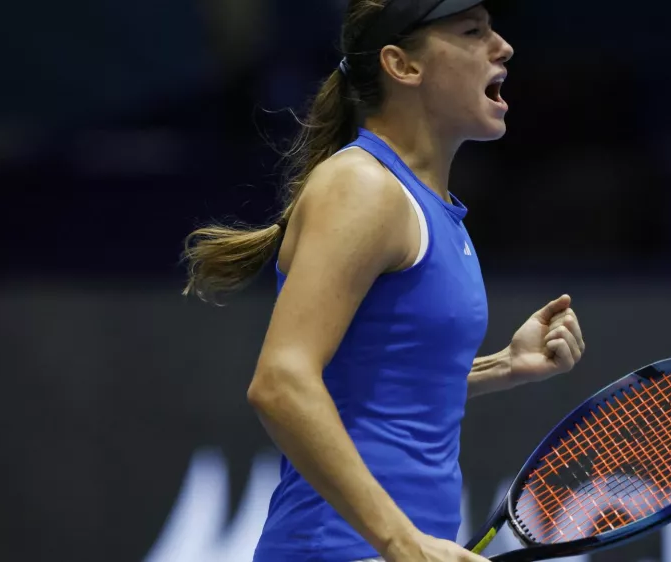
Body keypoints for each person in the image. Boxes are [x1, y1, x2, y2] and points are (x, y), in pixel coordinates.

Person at [181, 1, 586, 561]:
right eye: (473, 32)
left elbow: (372, 383)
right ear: (403, 65)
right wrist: (401, 542)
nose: (503, 47)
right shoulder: (362, 188)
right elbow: (280, 383)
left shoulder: (431, 210)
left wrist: (502, 367)